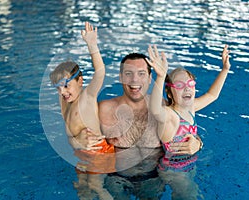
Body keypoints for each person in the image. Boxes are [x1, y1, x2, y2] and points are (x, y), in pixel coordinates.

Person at [96, 52, 203, 199]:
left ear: (149, 77)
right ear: (120, 77)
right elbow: (79, 134)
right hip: (116, 178)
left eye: (141, 73)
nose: (135, 80)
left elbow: (186, 127)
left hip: (154, 178)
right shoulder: (104, 109)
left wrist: (197, 143)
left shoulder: (166, 108)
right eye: (128, 73)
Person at [148, 44, 230, 199]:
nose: (187, 88)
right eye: (179, 85)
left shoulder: (191, 109)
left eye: (190, 84)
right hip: (173, 171)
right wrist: (160, 77)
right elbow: (155, 109)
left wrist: (225, 69)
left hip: (188, 165)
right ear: (170, 93)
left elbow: (212, 95)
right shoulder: (170, 116)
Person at [49, 22, 114, 200]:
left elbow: (100, 71)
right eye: (58, 88)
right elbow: (70, 135)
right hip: (81, 154)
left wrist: (92, 46)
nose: (62, 92)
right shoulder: (64, 103)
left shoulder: (87, 98)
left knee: (96, 186)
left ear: (80, 81)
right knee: (82, 187)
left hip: (100, 152)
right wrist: (77, 143)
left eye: (66, 86)